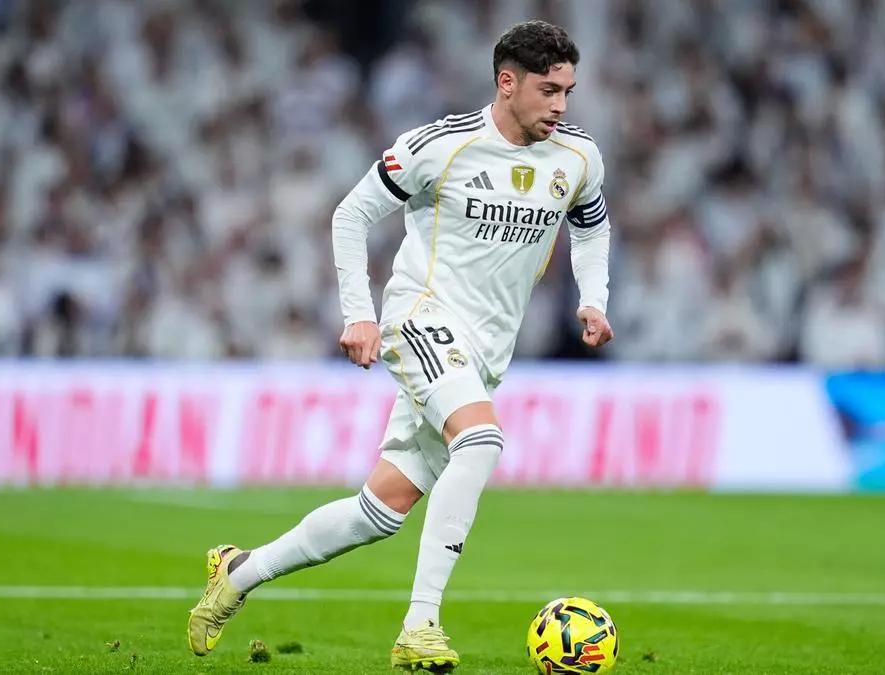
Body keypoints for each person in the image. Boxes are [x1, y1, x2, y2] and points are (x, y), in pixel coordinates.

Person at [187, 20, 614, 671]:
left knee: (380, 511)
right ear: (507, 82)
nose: (560, 105)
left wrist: (594, 297)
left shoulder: (578, 157)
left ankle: (238, 572)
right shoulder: (439, 147)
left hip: (485, 351)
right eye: (548, 90)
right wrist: (359, 314)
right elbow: (351, 213)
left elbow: (592, 226)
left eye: (567, 92)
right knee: (482, 440)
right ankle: (420, 625)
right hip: (421, 317)